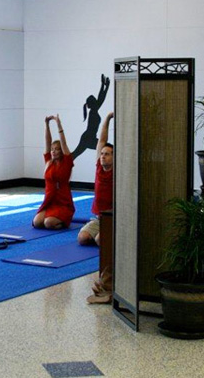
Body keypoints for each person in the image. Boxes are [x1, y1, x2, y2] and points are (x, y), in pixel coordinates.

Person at [79, 111, 114, 304]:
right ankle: (102, 237)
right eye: (102, 154)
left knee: (102, 240)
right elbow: (102, 139)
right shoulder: (99, 168)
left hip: (111, 218)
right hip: (98, 218)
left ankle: (107, 240)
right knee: (83, 238)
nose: (103, 157)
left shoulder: (117, 171)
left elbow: (105, 141)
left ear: (114, 157)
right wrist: (107, 119)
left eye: (107, 154)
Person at [33, 114, 75, 229]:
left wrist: (58, 125)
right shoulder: (48, 162)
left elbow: (64, 143)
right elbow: (47, 142)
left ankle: (63, 221)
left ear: (62, 151)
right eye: (52, 150)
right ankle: (53, 217)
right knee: (37, 223)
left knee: (48, 223)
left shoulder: (66, 162)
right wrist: (46, 125)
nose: (53, 151)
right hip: (50, 200)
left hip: (63, 202)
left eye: (57, 149)